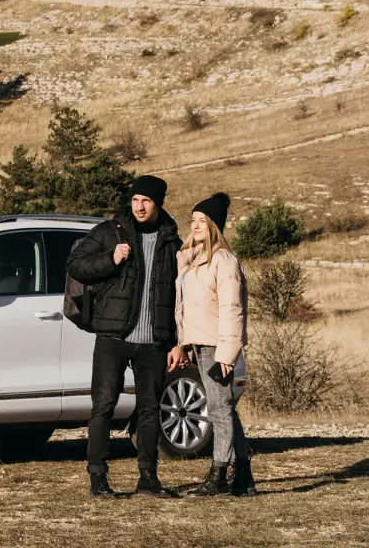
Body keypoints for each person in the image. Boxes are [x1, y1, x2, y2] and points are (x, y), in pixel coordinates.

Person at [67, 175, 183, 498]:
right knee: (103, 406)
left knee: (150, 409)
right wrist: (111, 259)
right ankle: (98, 479)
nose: (139, 207)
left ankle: (148, 478)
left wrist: (177, 341)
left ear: (158, 204)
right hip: (113, 336)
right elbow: (75, 264)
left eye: (146, 201)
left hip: (155, 340)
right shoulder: (110, 232)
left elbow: (180, 296)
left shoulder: (172, 241)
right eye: (135, 200)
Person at [171, 193, 256, 497]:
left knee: (219, 411)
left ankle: (219, 475)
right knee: (226, 410)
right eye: (192, 220)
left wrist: (227, 355)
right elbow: (186, 307)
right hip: (199, 344)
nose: (195, 226)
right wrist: (182, 343)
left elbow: (232, 310)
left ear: (214, 227)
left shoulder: (223, 260)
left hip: (216, 346)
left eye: (202, 222)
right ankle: (243, 476)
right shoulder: (192, 258)